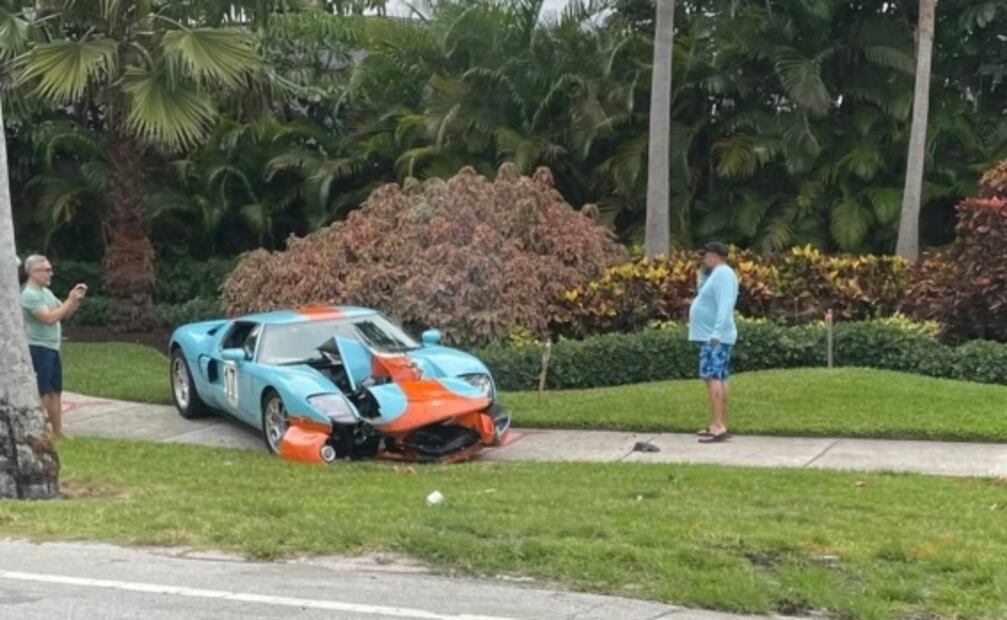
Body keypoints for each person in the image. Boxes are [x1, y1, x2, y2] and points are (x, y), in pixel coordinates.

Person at [20, 254, 87, 437]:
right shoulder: (29, 295)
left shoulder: (45, 292)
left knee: (55, 390)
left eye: (50, 269)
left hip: (52, 347)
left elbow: (64, 313)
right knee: (42, 392)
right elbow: (49, 318)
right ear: (33, 273)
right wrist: (70, 300)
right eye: (46, 270)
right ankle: (40, 432)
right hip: (38, 347)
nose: (51, 273)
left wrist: (74, 300)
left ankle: (57, 432)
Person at [688, 242, 738, 443]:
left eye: (705, 256)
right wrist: (702, 274)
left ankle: (719, 425)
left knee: (714, 377)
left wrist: (716, 333)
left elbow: (725, 306)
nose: (703, 260)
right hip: (710, 336)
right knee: (716, 377)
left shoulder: (724, 274)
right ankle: (717, 423)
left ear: (715, 255)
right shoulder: (715, 275)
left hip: (714, 338)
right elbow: (702, 293)